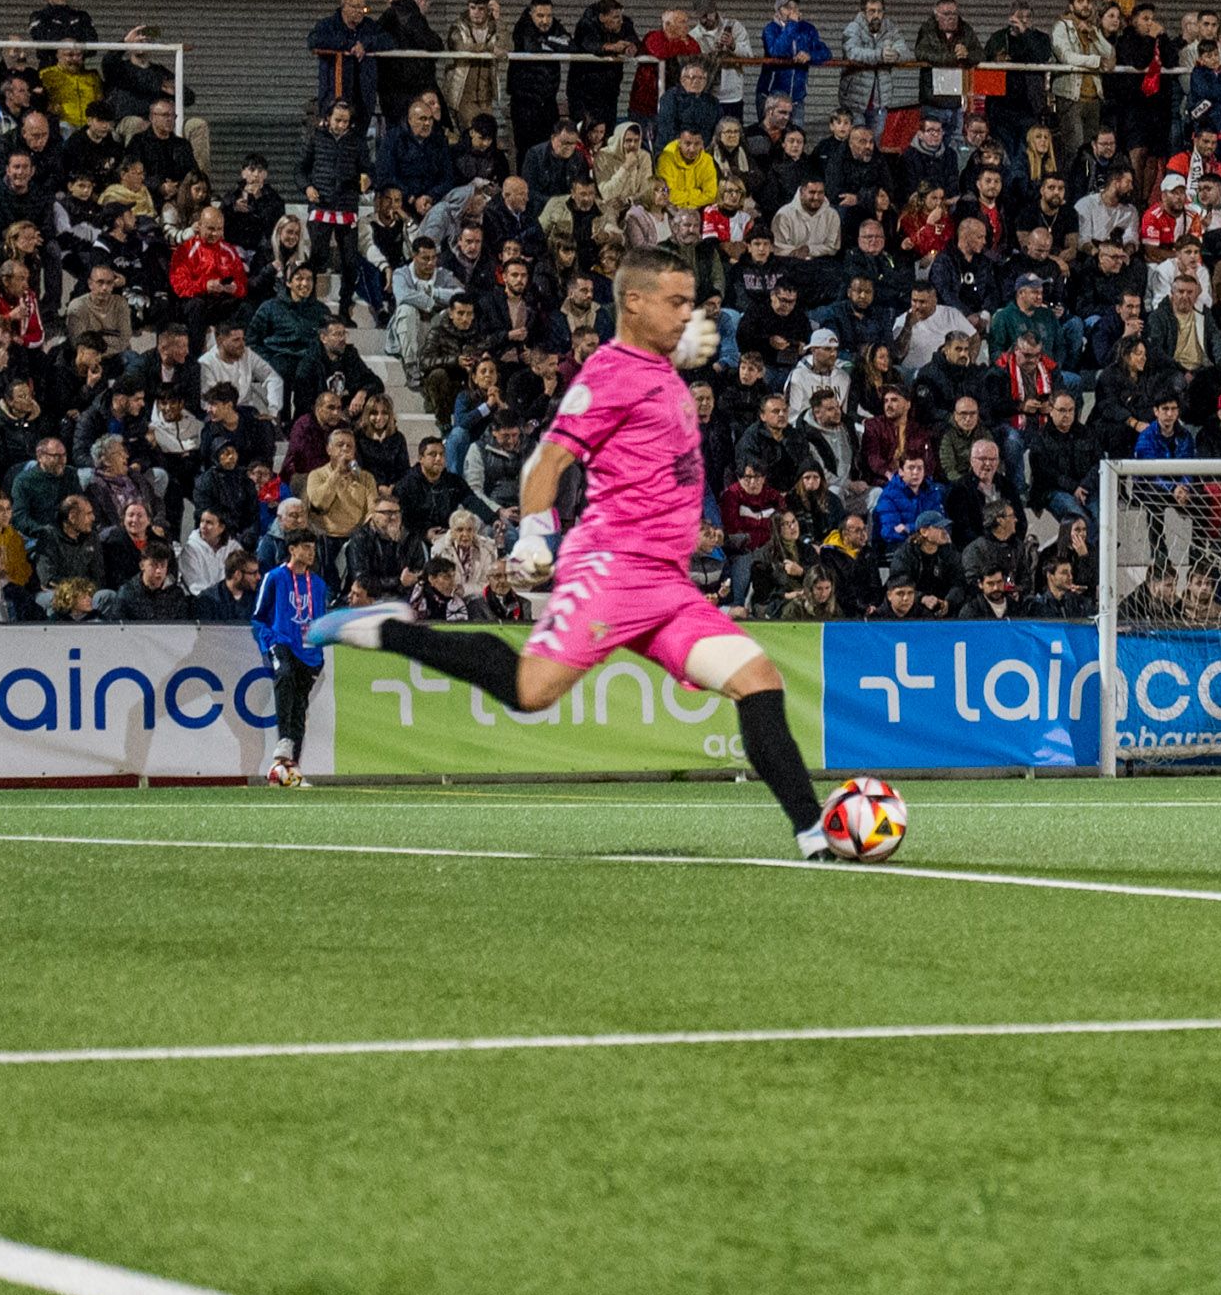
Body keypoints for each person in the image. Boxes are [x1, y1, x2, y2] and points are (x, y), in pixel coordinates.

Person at [318, 245, 837, 851]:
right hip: (610, 572)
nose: (686, 316)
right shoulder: (612, 371)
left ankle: (812, 832)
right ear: (634, 304)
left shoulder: (662, 367)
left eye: (689, 304)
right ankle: (389, 630)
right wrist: (537, 532)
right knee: (531, 692)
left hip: (667, 586)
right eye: (674, 303)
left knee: (757, 677)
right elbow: (548, 457)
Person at [250, 522, 334, 789]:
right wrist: (269, 640)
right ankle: (284, 741)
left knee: (299, 708)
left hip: (309, 651)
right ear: (292, 549)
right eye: (306, 548)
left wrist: (319, 651)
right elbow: (259, 616)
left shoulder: (318, 584)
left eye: (313, 548)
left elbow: (319, 620)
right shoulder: (274, 578)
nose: (311, 553)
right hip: (281, 640)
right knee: (284, 674)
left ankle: (288, 770)